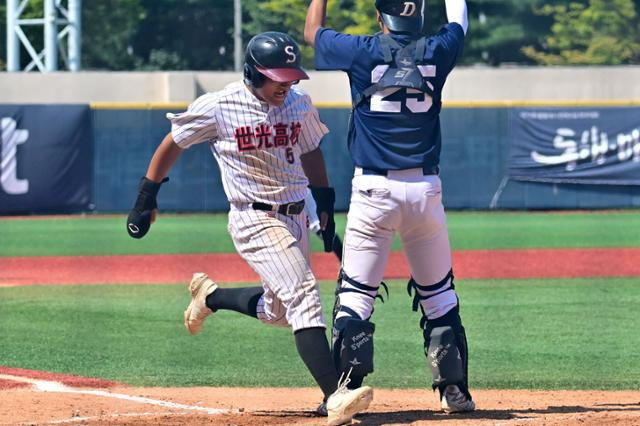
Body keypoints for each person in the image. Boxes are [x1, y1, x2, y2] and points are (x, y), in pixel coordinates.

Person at [125, 31, 373, 425]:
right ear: (253, 72)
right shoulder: (220, 105)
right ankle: (335, 396)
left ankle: (210, 297)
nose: (286, 83)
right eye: (277, 76)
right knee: (304, 292)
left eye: (291, 75)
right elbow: (174, 142)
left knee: (279, 311)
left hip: (293, 216)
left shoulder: (299, 103)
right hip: (254, 217)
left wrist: (324, 203)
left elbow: (310, 150)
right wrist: (146, 196)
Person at [305, 0, 475, 413]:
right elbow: (460, 19)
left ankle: (344, 393)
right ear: (417, 18)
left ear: (381, 18)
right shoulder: (438, 49)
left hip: (373, 190)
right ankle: (455, 392)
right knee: (438, 296)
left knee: (356, 296)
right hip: (425, 190)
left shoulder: (362, 50)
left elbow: (312, 32)